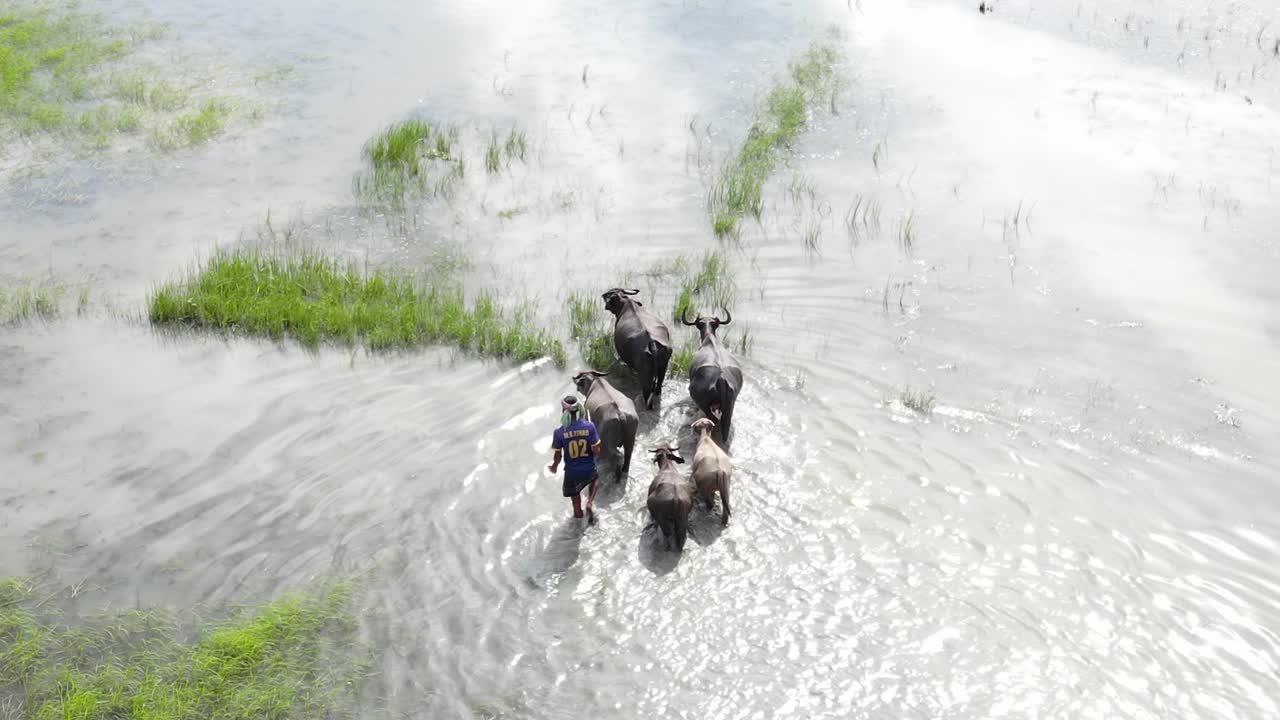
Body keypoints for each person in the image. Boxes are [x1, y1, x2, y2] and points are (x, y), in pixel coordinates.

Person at [547, 395, 602, 522]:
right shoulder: (590, 426)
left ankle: (578, 518)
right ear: (578, 410)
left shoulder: (559, 432)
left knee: (575, 502)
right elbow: (596, 450)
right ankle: (590, 502)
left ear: (563, 411)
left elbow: (557, 457)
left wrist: (554, 467)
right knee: (595, 479)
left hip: (572, 473)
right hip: (588, 469)